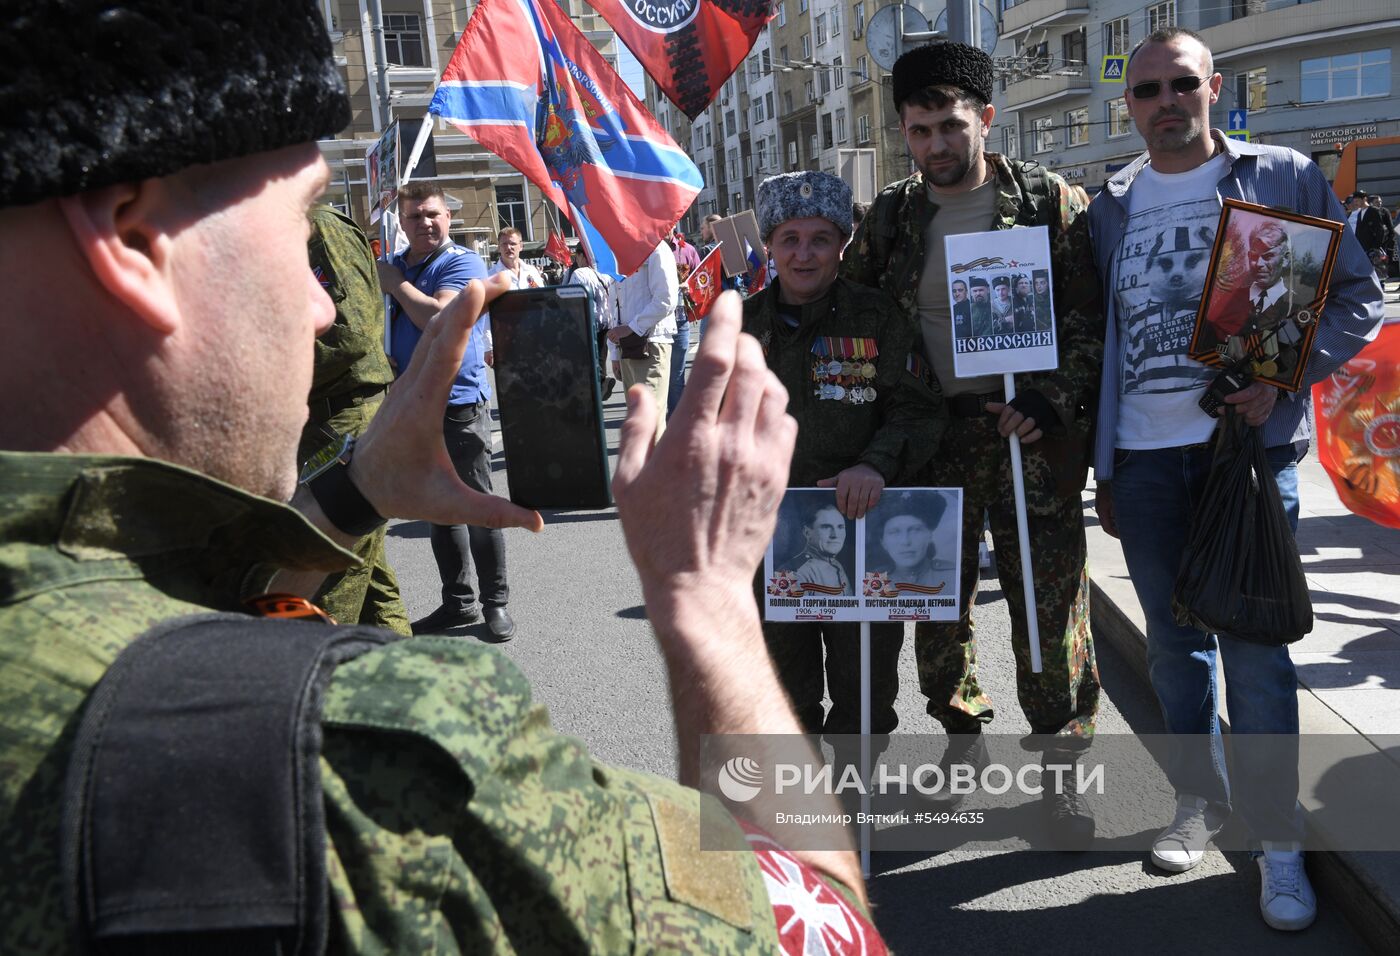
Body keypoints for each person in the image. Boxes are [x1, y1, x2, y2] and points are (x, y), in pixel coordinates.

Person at [0, 3, 882, 949]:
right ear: (132, 242)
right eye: (302, 231)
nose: (315, 303)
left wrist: (343, 499)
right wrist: (708, 603)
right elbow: (823, 929)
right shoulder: (367, 756)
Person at [1087, 27, 1384, 931]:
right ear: (1128, 105)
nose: (1166, 102)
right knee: (1176, 651)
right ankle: (1199, 801)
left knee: (1257, 657)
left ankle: (1278, 839)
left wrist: (1282, 377)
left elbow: (1356, 296)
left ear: (1215, 87)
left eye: (1183, 84)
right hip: (1142, 463)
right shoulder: (1108, 205)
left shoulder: (1281, 176)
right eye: (1147, 91)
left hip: (1244, 460)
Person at [842, 40, 1104, 845]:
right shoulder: (891, 214)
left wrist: (1052, 403)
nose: (935, 147)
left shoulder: (1047, 201)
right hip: (934, 439)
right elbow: (857, 315)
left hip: (1027, 436)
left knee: (1049, 610)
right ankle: (963, 737)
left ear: (985, 120)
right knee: (938, 611)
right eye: (918, 131)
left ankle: (1064, 775)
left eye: (950, 127)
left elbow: (1090, 321)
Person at [744, 169, 944, 753]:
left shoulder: (877, 318)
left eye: (820, 238)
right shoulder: (739, 326)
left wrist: (875, 465)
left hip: (863, 530)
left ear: (843, 243)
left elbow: (919, 410)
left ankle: (855, 807)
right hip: (769, 541)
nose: (804, 254)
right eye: (789, 239)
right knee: (784, 687)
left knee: (865, 692)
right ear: (769, 246)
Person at [379, 183, 516, 640]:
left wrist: (394, 284)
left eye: (432, 214)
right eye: (414, 217)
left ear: (449, 217)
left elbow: (437, 321)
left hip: (458, 405)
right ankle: (458, 603)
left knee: (476, 506)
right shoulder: (396, 265)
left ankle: (496, 604)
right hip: (413, 406)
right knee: (438, 511)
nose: (425, 223)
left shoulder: (463, 263)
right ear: (402, 222)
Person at [300, 204, 410, 635]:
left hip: (346, 414)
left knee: (332, 566)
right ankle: (403, 679)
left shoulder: (319, 227)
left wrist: (265, 366)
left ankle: (326, 680)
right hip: (328, 416)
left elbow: (349, 333)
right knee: (370, 573)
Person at [607, 240, 678, 445]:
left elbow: (666, 299)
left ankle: (658, 475)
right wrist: (614, 353)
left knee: (650, 424)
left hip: (651, 343)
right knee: (638, 423)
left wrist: (632, 327)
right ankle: (646, 474)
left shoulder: (656, 247)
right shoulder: (619, 250)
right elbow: (615, 303)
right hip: (627, 346)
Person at [564, 245, 617, 399]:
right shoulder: (604, 273)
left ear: (581, 256)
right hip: (606, 322)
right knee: (600, 357)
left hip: (587, 323)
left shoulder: (579, 273)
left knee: (586, 361)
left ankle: (597, 386)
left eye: (576, 257)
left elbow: (571, 298)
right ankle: (601, 382)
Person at [871, 494, 955, 587]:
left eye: (915, 530)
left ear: (929, 535)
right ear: (883, 542)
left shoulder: (952, 574)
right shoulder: (875, 582)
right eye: (894, 532)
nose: (905, 542)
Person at [787, 503, 852, 594]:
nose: (835, 535)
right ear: (807, 533)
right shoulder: (795, 573)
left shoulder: (837, 565)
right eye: (826, 527)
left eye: (840, 527)